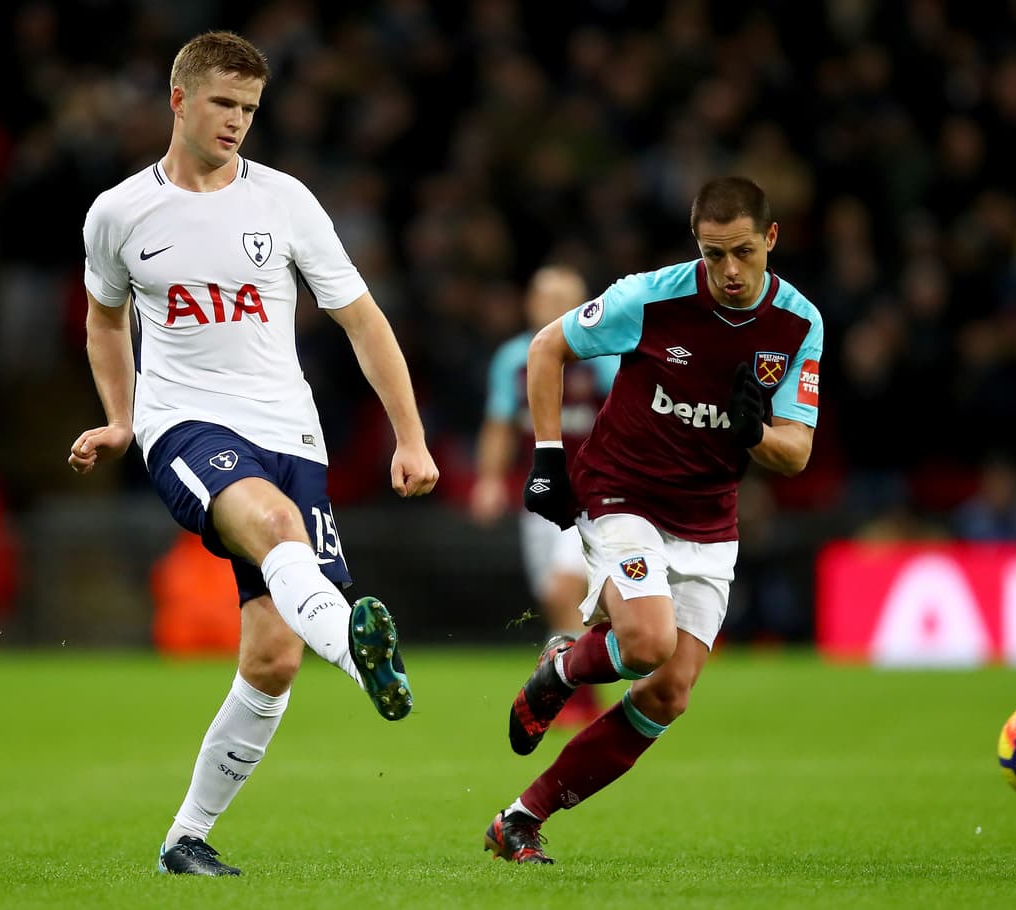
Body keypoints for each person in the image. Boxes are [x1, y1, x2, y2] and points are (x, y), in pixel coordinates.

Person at [67, 31, 439, 877]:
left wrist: (409, 436)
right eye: (223, 104)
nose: (237, 121)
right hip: (187, 425)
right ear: (178, 100)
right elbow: (102, 320)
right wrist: (123, 420)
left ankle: (184, 839)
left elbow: (362, 321)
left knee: (272, 654)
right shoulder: (120, 213)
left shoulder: (287, 202)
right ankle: (359, 649)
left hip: (289, 429)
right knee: (273, 527)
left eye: (249, 109)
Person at [483, 176, 823, 864]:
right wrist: (548, 456)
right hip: (623, 493)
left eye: (744, 253)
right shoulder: (652, 295)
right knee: (645, 643)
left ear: (772, 240)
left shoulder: (797, 324)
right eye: (714, 252)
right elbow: (548, 346)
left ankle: (520, 818)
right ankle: (564, 670)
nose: (729, 271)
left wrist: (755, 433)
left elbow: (797, 450)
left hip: (708, 519)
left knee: (668, 693)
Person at [469, 264, 618, 728]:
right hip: (541, 501)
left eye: (565, 299)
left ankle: (571, 693)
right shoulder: (514, 358)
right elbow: (499, 423)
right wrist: (490, 479)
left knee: (563, 588)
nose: (555, 308)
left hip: (595, 498)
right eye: (546, 298)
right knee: (560, 600)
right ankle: (584, 676)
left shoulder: (604, 357)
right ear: (531, 305)